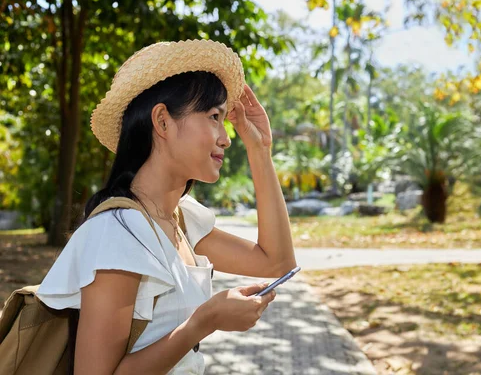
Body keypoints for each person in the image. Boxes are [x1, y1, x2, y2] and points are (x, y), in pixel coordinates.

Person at [36, 40, 297, 375]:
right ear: (162, 121)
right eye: (213, 116)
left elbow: (276, 261)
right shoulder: (117, 233)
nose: (226, 137)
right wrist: (203, 322)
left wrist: (260, 151)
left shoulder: (180, 220)